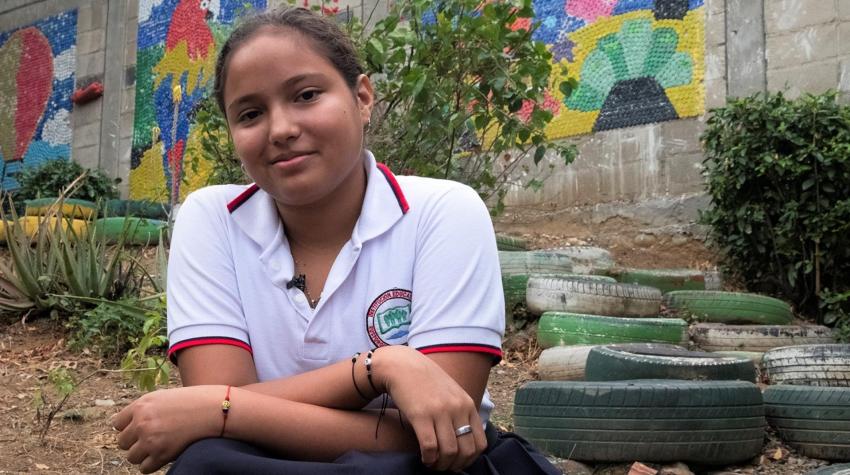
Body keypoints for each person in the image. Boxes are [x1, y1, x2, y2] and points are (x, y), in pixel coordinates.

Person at [112, 6, 559, 474]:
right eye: (250, 114)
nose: (281, 129)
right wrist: (382, 368)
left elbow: (444, 432)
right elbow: (219, 408)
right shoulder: (212, 220)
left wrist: (224, 410)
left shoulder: (442, 212)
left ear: (363, 97)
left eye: (306, 95)